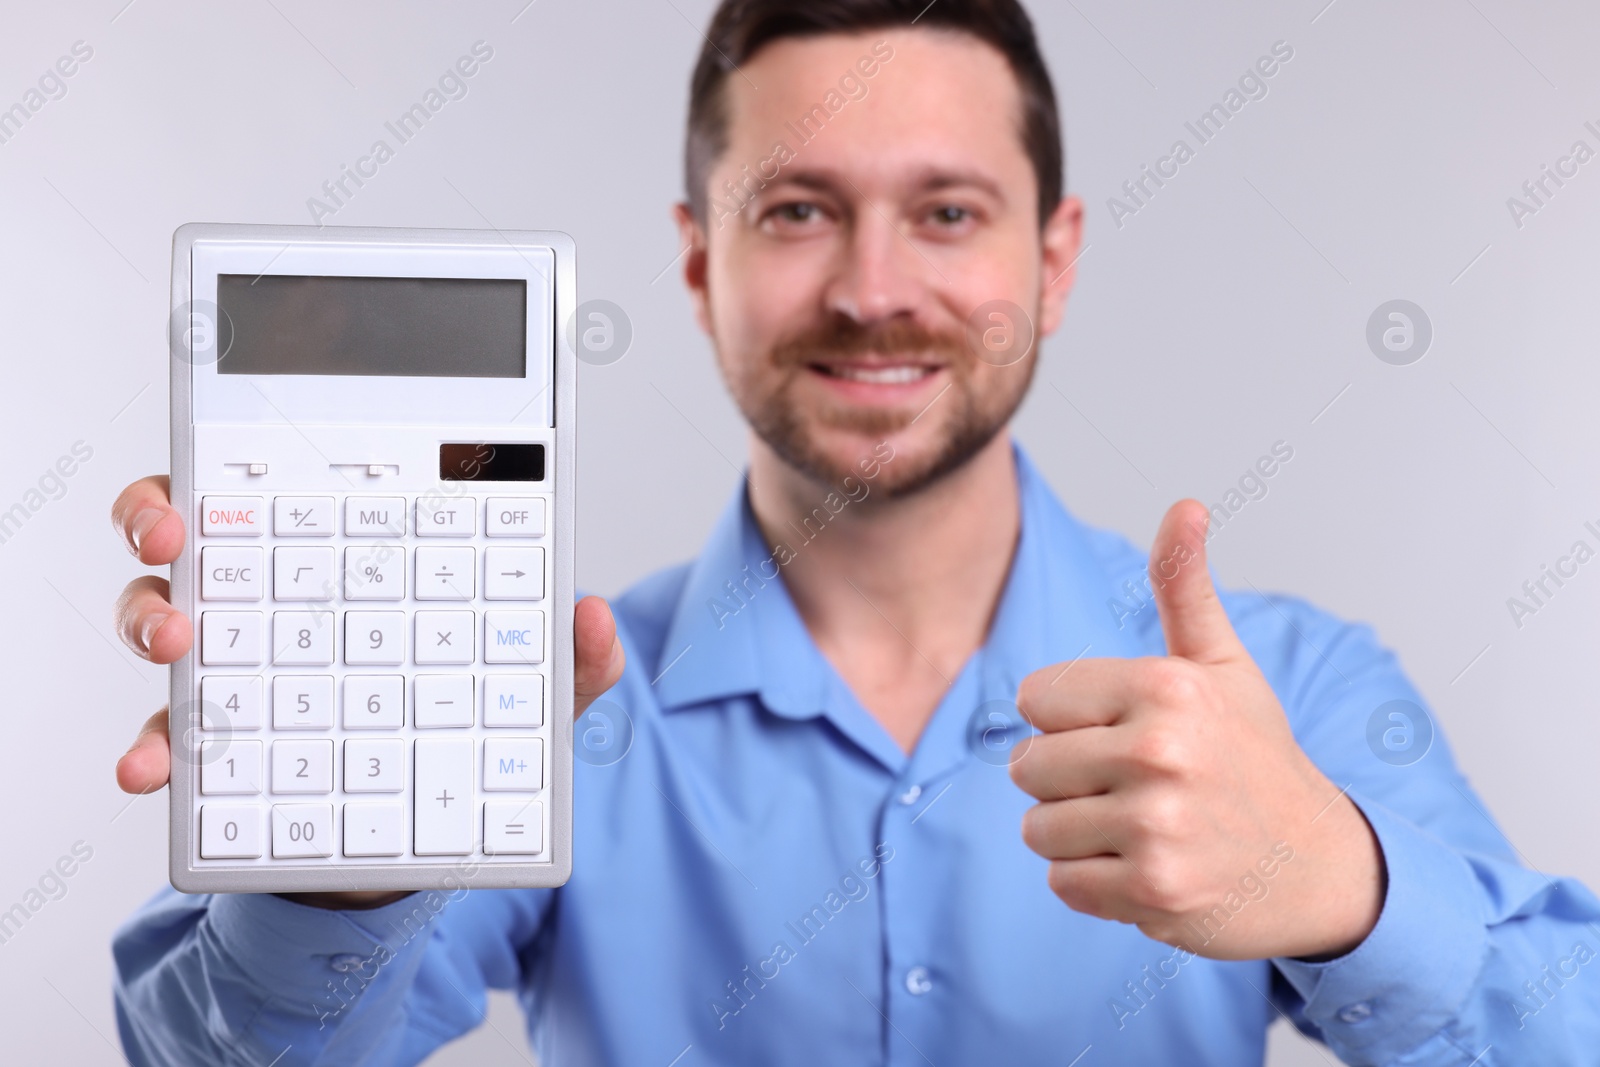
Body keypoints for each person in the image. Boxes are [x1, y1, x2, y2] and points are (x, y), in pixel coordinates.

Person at [111, 0, 1600, 1063]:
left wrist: (1345, 886)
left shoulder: (1292, 693)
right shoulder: (531, 712)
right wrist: (350, 845)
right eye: (799, 210)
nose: (874, 289)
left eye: (947, 213)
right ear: (699, 264)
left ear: (1055, 256)